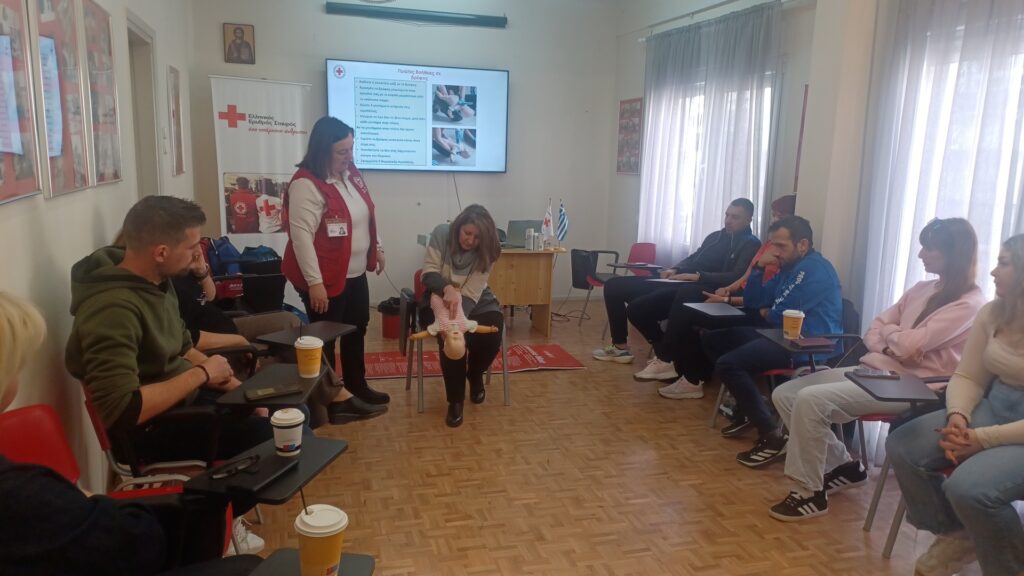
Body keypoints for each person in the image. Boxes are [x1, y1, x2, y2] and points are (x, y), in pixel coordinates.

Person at [0, 292, 263, 575]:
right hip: (149, 435)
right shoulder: (112, 312)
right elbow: (137, 545)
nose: (18, 377)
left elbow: (187, 346)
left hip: (179, 415)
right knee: (245, 561)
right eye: (16, 367)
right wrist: (202, 374)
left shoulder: (159, 294)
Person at [768, 218, 986, 521]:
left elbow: (908, 345)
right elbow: (874, 328)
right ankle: (845, 466)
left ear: (953, 254)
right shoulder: (922, 288)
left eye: (929, 249)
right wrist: (891, 343)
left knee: (810, 400)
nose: (920, 255)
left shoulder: (970, 304)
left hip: (912, 385)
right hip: (875, 370)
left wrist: (892, 336)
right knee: (786, 394)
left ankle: (809, 493)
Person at [886, 234, 1024, 576]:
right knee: (903, 445)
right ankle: (959, 534)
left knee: (968, 489)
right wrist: (958, 416)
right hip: (996, 406)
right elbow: (969, 376)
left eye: (1004, 263)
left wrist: (982, 439)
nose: (992, 272)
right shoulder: (994, 313)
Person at [701, 216, 843, 467]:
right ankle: (752, 408)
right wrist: (757, 268)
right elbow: (756, 302)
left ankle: (772, 435)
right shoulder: (789, 267)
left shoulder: (813, 269)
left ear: (802, 245)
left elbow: (778, 313)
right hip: (781, 335)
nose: (774, 252)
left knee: (728, 364)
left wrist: (770, 311)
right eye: (772, 245)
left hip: (807, 344)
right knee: (714, 339)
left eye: (780, 246)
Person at [281, 116, 390, 423]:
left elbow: (366, 215)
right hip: (323, 278)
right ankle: (332, 402)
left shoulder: (351, 174)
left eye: (351, 149)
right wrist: (315, 283)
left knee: (357, 328)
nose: (349, 156)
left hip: (354, 272)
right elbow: (301, 237)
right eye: (342, 152)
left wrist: (377, 247)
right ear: (322, 150)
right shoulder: (305, 184)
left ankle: (356, 386)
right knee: (325, 338)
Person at [635, 195, 796, 386]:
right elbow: (746, 276)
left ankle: (684, 370)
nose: (775, 220)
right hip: (740, 297)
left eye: (781, 216)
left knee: (688, 308)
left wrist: (726, 297)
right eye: (774, 215)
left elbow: (765, 298)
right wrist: (725, 289)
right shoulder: (762, 245)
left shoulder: (767, 250)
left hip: (748, 307)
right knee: (675, 306)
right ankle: (681, 369)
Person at [593, 198, 763, 364]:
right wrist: (674, 269)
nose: (728, 221)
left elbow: (736, 275)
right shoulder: (715, 237)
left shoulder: (750, 243)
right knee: (614, 286)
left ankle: (665, 355)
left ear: (749, 219)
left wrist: (699, 276)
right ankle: (620, 346)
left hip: (696, 287)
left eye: (735, 217)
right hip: (678, 280)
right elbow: (694, 257)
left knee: (637, 309)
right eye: (727, 215)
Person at [420, 204, 503, 428]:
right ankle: (455, 401)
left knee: (494, 329)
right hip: (438, 295)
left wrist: (458, 320)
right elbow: (428, 273)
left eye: (477, 238)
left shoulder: (490, 250)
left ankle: (474, 374)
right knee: (452, 339)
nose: (470, 240)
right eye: (467, 233)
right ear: (458, 226)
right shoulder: (441, 234)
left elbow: (472, 293)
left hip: (473, 297)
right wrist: (447, 290)